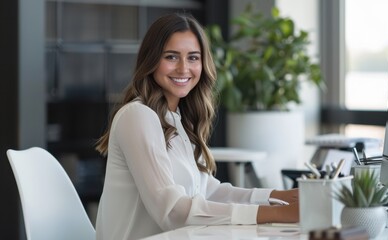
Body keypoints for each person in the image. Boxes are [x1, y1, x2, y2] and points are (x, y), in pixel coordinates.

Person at [95, 12, 299, 240]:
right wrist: (274, 212)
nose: (183, 68)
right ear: (151, 61)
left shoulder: (179, 119)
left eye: (193, 58)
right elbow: (172, 211)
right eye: (171, 57)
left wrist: (274, 195)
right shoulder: (138, 116)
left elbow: (207, 191)